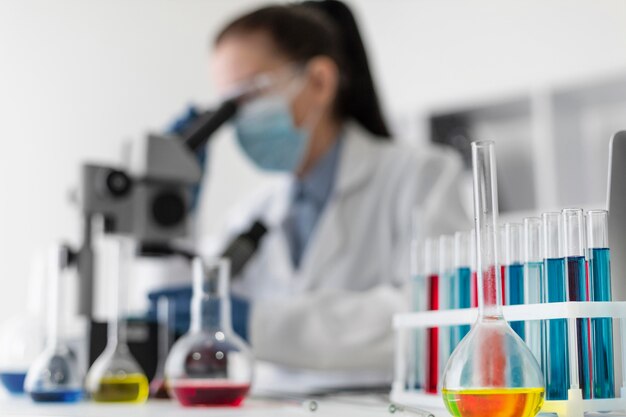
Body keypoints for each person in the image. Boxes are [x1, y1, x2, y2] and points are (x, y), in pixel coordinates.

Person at [198, 0, 469, 386]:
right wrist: (167, 211)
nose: (238, 121)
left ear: (320, 82)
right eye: (227, 107)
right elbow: (183, 321)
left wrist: (261, 324)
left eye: (247, 96)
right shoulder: (252, 210)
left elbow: (438, 313)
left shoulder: (421, 175)